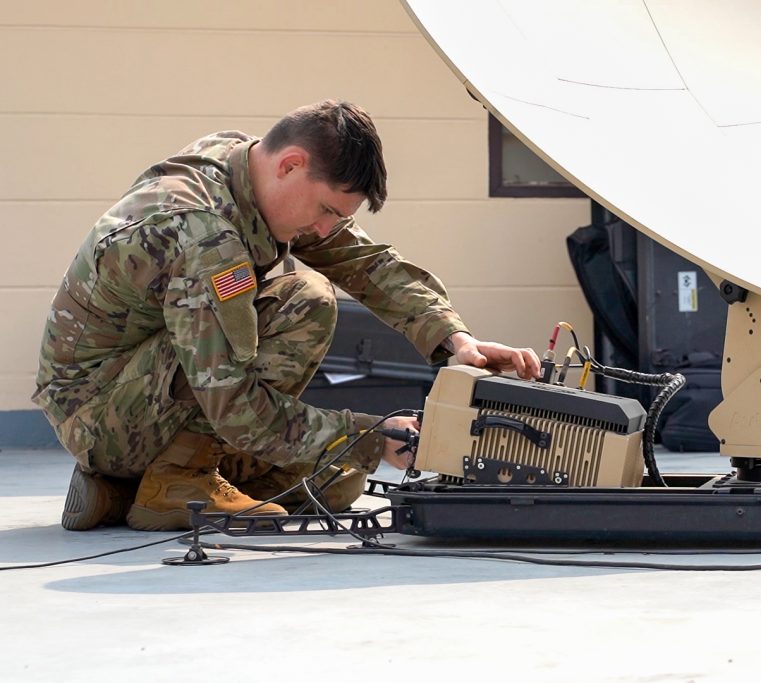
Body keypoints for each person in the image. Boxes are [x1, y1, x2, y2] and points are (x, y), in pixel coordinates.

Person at [33, 100, 541, 532]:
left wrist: (457, 340)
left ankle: (123, 495)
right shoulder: (203, 236)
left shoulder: (247, 164)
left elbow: (368, 264)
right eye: (326, 212)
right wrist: (373, 436)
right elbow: (232, 405)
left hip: (148, 398)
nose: (324, 231)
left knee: (338, 483)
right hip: (98, 414)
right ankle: (170, 480)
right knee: (308, 298)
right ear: (291, 164)